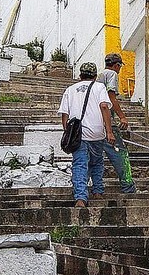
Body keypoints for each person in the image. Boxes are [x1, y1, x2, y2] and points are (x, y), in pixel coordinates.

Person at [58, 62, 115, 207]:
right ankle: (97, 191)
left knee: (80, 164)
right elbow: (104, 106)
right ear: (95, 76)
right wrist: (109, 131)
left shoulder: (70, 90)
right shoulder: (99, 87)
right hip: (97, 132)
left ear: (80, 75)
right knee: (97, 163)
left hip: (79, 135)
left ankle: (80, 198)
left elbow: (64, 114)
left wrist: (68, 133)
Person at [96, 52, 136, 194]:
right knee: (120, 152)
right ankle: (128, 186)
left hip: (94, 121)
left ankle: (96, 187)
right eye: (120, 66)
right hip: (106, 119)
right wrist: (122, 117)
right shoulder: (112, 74)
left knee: (96, 155)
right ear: (117, 65)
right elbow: (111, 98)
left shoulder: (99, 76)